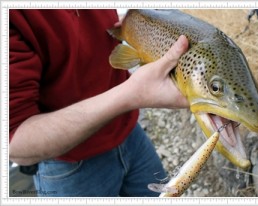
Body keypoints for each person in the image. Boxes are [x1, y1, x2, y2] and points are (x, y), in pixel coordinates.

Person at [9, 9, 189, 197]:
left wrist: (131, 28)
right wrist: (132, 94)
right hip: (70, 165)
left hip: (129, 131)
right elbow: (15, 142)